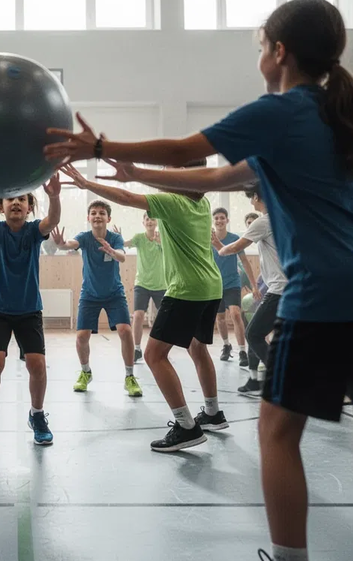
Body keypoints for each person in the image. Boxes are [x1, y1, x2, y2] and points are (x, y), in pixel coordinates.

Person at [45, 0, 353, 560]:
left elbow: (191, 150)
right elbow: (222, 174)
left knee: (276, 431)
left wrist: (98, 147)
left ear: (279, 51)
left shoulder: (279, 111)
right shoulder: (335, 121)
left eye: (262, 45)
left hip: (328, 291)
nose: (260, 55)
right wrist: (130, 170)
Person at [59, 164, 227, 452]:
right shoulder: (203, 202)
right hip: (212, 286)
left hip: (186, 288)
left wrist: (87, 184)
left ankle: (187, 426)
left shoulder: (174, 202)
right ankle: (213, 412)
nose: (165, 173)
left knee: (153, 355)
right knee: (197, 348)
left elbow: (126, 197)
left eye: (172, 170)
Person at [0, 176, 62, 446]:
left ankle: (36, 415)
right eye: (11, 199)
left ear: (29, 208)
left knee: (37, 365)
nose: (16, 203)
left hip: (28, 310)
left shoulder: (34, 231)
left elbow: (53, 221)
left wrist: (55, 196)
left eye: (22, 200)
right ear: (0, 206)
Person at [50, 201, 142, 397]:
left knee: (125, 331)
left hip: (114, 294)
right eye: (93, 213)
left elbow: (122, 257)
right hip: (90, 294)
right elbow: (70, 244)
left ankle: (129, 376)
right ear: (88, 218)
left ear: (108, 218)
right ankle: (85, 372)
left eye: (102, 213)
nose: (97, 216)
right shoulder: (84, 237)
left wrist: (112, 251)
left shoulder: (115, 238)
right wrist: (60, 244)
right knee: (82, 336)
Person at [213, 187, 282, 398]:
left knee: (253, 334)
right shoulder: (281, 219)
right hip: (282, 288)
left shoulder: (263, 221)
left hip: (280, 290)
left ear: (256, 197)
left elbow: (235, 248)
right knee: (255, 331)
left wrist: (218, 245)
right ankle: (254, 379)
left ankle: (279, 379)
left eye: (251, 198)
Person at [211, 207, 256, 368]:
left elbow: (244, 262)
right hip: (215, 284)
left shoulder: (235, 239)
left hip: (232, 283)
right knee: (220, 318)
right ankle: (226, 345)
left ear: (227, 220)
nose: (219, 220)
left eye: (222, 218)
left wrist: (254, 285)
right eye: (216, 218)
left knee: (236, 314)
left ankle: (242, 351)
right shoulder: (207, 239)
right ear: (213, 221)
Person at [125, 213, 166, 363]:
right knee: (138, 315)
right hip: (141, 283)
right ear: (143, 222)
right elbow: (125, 243)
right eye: (147, 219)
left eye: (152, 219)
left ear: (157, 222)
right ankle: (137, 349)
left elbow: (171, 254)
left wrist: (161, 242)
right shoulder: (139, 238)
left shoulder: (162, 238)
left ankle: (160, 347)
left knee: (164, 318)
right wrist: (116, 238)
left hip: (160, 285)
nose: (150, 221)